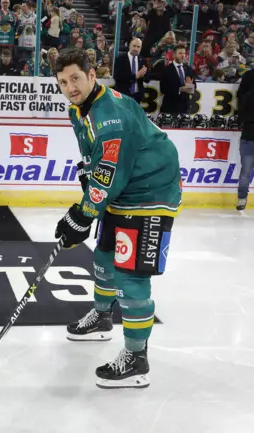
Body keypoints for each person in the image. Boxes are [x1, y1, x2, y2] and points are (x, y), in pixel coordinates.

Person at [53, 48, 182, 389]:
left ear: (92, 75)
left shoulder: (110, 115)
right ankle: (101, 317)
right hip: (123, 190)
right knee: (103, 256)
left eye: (76, 79)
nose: (70, 87)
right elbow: (93, 162)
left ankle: (136, 360)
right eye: (63, 82)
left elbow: (108, 174)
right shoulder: (79, 109)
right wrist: (86, 201)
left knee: (131, 277)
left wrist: (82, 215)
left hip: (151, 194)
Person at [236, 68, 254, 211]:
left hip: (247, 137)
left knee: (245, 172)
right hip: (248, 137)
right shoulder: (248, 77)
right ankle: (242, 198)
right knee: (245, 172)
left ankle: (242, 199)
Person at [160, 45, 196, 114]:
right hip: (170, 108)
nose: (183, 55)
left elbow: (194, 87)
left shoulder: (189, 69)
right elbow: (163, 89)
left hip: (185, 108)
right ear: (174, 55)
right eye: (180, 53)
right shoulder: (166, 70)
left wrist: (190, 86)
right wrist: (182, 89)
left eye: (184, 53)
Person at [113, 38, 150, 105]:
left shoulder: (143, 60)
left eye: (138, 47)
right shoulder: (120, 59)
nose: (136, 49)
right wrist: (135, 76)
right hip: (123, 96)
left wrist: (145, 74)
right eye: (134, 46)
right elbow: (117, 77)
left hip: (137, 97)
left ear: (141, 48)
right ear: (130, 45)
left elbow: (147, 79)